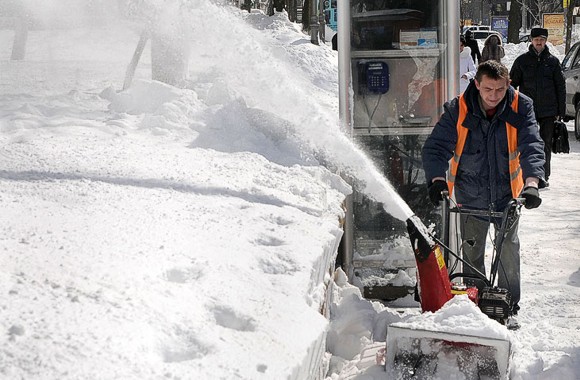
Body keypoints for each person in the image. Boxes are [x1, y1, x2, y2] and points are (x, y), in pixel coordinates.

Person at [422, 60, 545, 328]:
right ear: (476, 84)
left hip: (508, 196)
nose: (493, 96)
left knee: (508, 251)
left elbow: (532, 143)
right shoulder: (458, 109)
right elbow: (435, 148)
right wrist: (437, 180)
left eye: (500, 89)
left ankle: (508, 307)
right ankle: (476, 306)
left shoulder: (520, 106)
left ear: (508, 84)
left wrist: (532, 182)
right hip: (470, 194)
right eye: (488, 89)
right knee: (472, 254)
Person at [510, 27, 566, 188]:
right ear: (531, 41)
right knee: (528, 143)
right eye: (536, 40)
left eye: (542, 39)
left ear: (546, 40)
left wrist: (560, 111)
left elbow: (560, 87)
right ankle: (528, 174)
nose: (539, 42)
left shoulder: (553, 62)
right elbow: (512, 85)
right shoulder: (522, 61)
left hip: (549, 111)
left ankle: (543, 175)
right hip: (528, 111)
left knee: (545, 143)